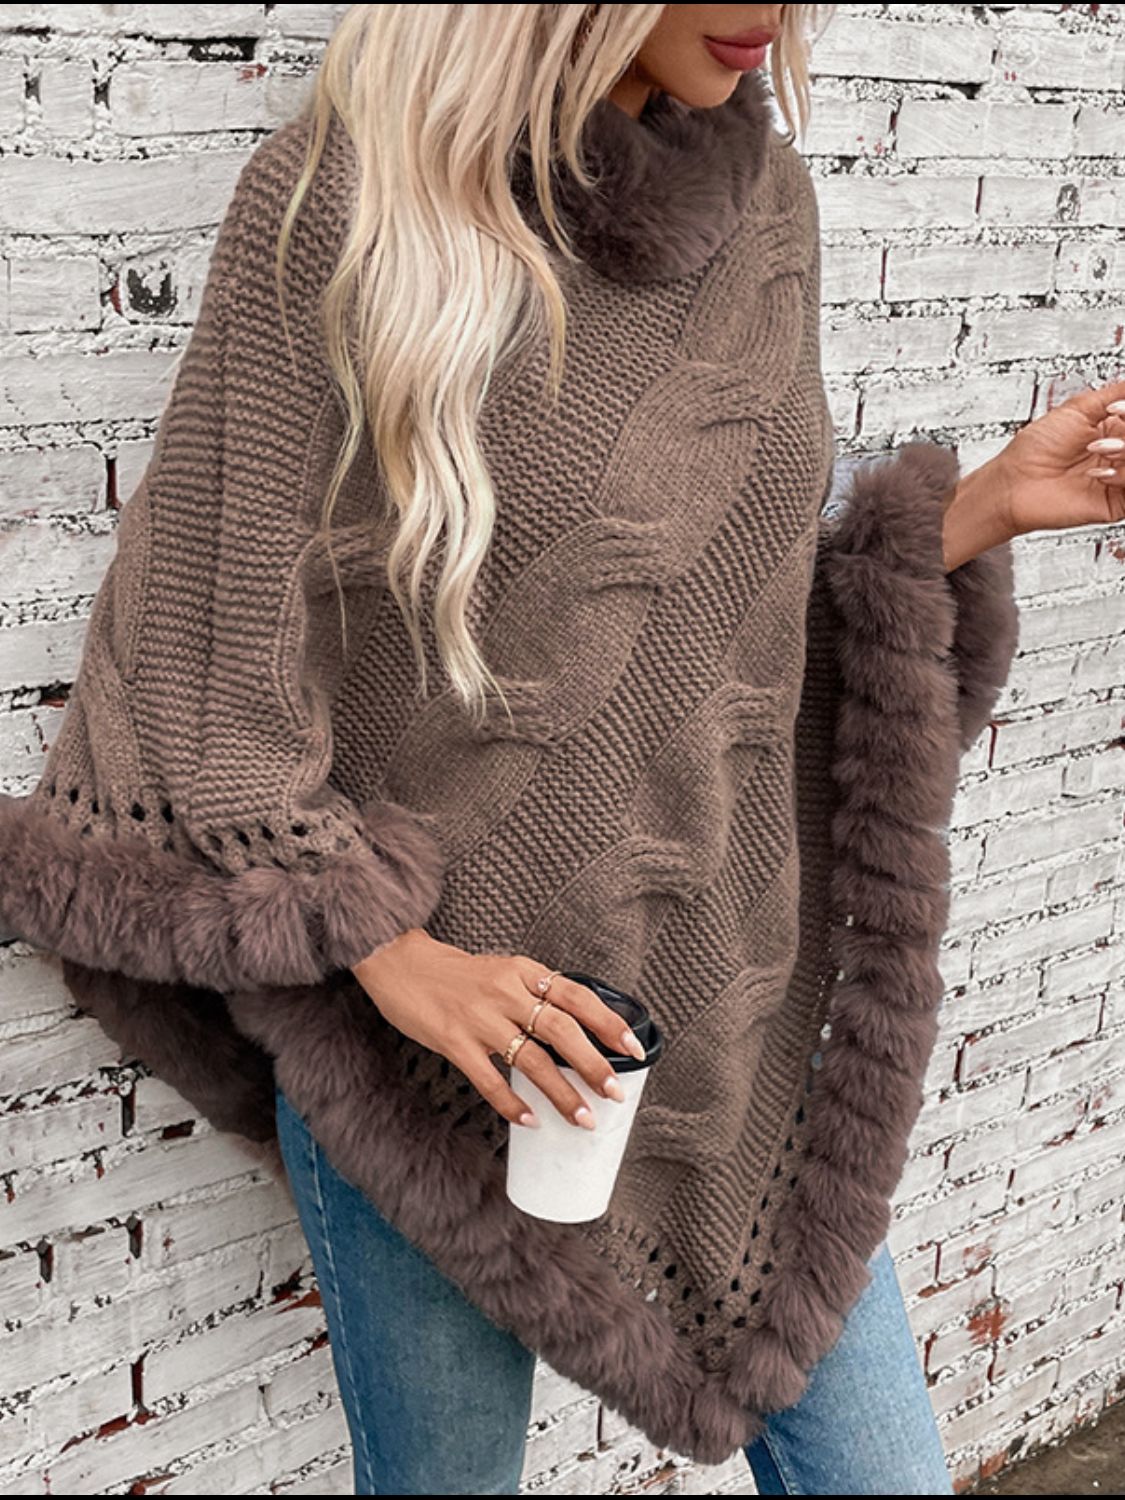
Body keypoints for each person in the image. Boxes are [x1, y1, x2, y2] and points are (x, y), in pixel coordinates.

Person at [1, 4, 1122, 1495]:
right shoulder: (340, 203)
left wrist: (979, 509)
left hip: (714, 1037)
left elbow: (724, 621)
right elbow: (216, 644)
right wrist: (394, 958)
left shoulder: (763, 210)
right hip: (429, 1062)